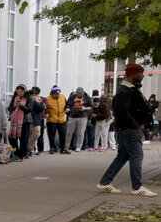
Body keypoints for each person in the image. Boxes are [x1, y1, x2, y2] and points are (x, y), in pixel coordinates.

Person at [96, 64, 157, 197]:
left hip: (128, 129)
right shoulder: (125, 91)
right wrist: (136, 125)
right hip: (129, 130)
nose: (142, 75)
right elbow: (122, 112)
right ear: (132, 75)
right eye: (140, 73)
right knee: (137, 155)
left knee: (122, 157)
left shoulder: (129, 90)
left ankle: (105, 182)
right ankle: (137, 187)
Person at [7, 85, 30, 160]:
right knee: (12, 138)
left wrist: (21, 106)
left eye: (21, 91)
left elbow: (29, 109)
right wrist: (14, 106)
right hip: (14, 120)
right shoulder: (14, 98)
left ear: (25, 91)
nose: (19, 93)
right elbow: (9, 108)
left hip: (24, 121)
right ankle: (16, 152)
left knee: (23, 138)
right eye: (18, 91)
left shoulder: (28, 98)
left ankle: (23, 154)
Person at [45, 85, 69, 154]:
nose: (57, 95)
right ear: (52, 93)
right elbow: (44, 108)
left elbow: (66, 104)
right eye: (56, 94)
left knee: (63, 135)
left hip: (62, 119)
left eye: (58, 94)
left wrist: (67, 108)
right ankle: (52, 148)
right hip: (52, 120)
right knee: (51, 135)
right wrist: (46, 113)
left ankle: (62, 148)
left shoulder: (63, 96)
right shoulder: (48, 99)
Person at [65, 87, 90, 151]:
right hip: (72, 116)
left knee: (80, 133)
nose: (79, 96)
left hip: (83, 117)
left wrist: (85, 108)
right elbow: (67, 104)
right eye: (78, 95)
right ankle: (66, 146)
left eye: (81, 95)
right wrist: (73, 102)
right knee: (69, 132)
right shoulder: (72, 97)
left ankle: (78, 146)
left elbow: (91, 107)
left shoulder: (87, 97)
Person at [27, 87, 46, 156]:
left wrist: (37, 102)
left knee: (37, 134)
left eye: (34, 95)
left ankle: (28, 145)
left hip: (37, 120)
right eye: (32, 95)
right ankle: (31, 150)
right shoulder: (29, 101)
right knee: (30, 135)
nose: (33, 97)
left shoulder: (38, 101)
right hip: (29, 121)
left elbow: (42, 108)